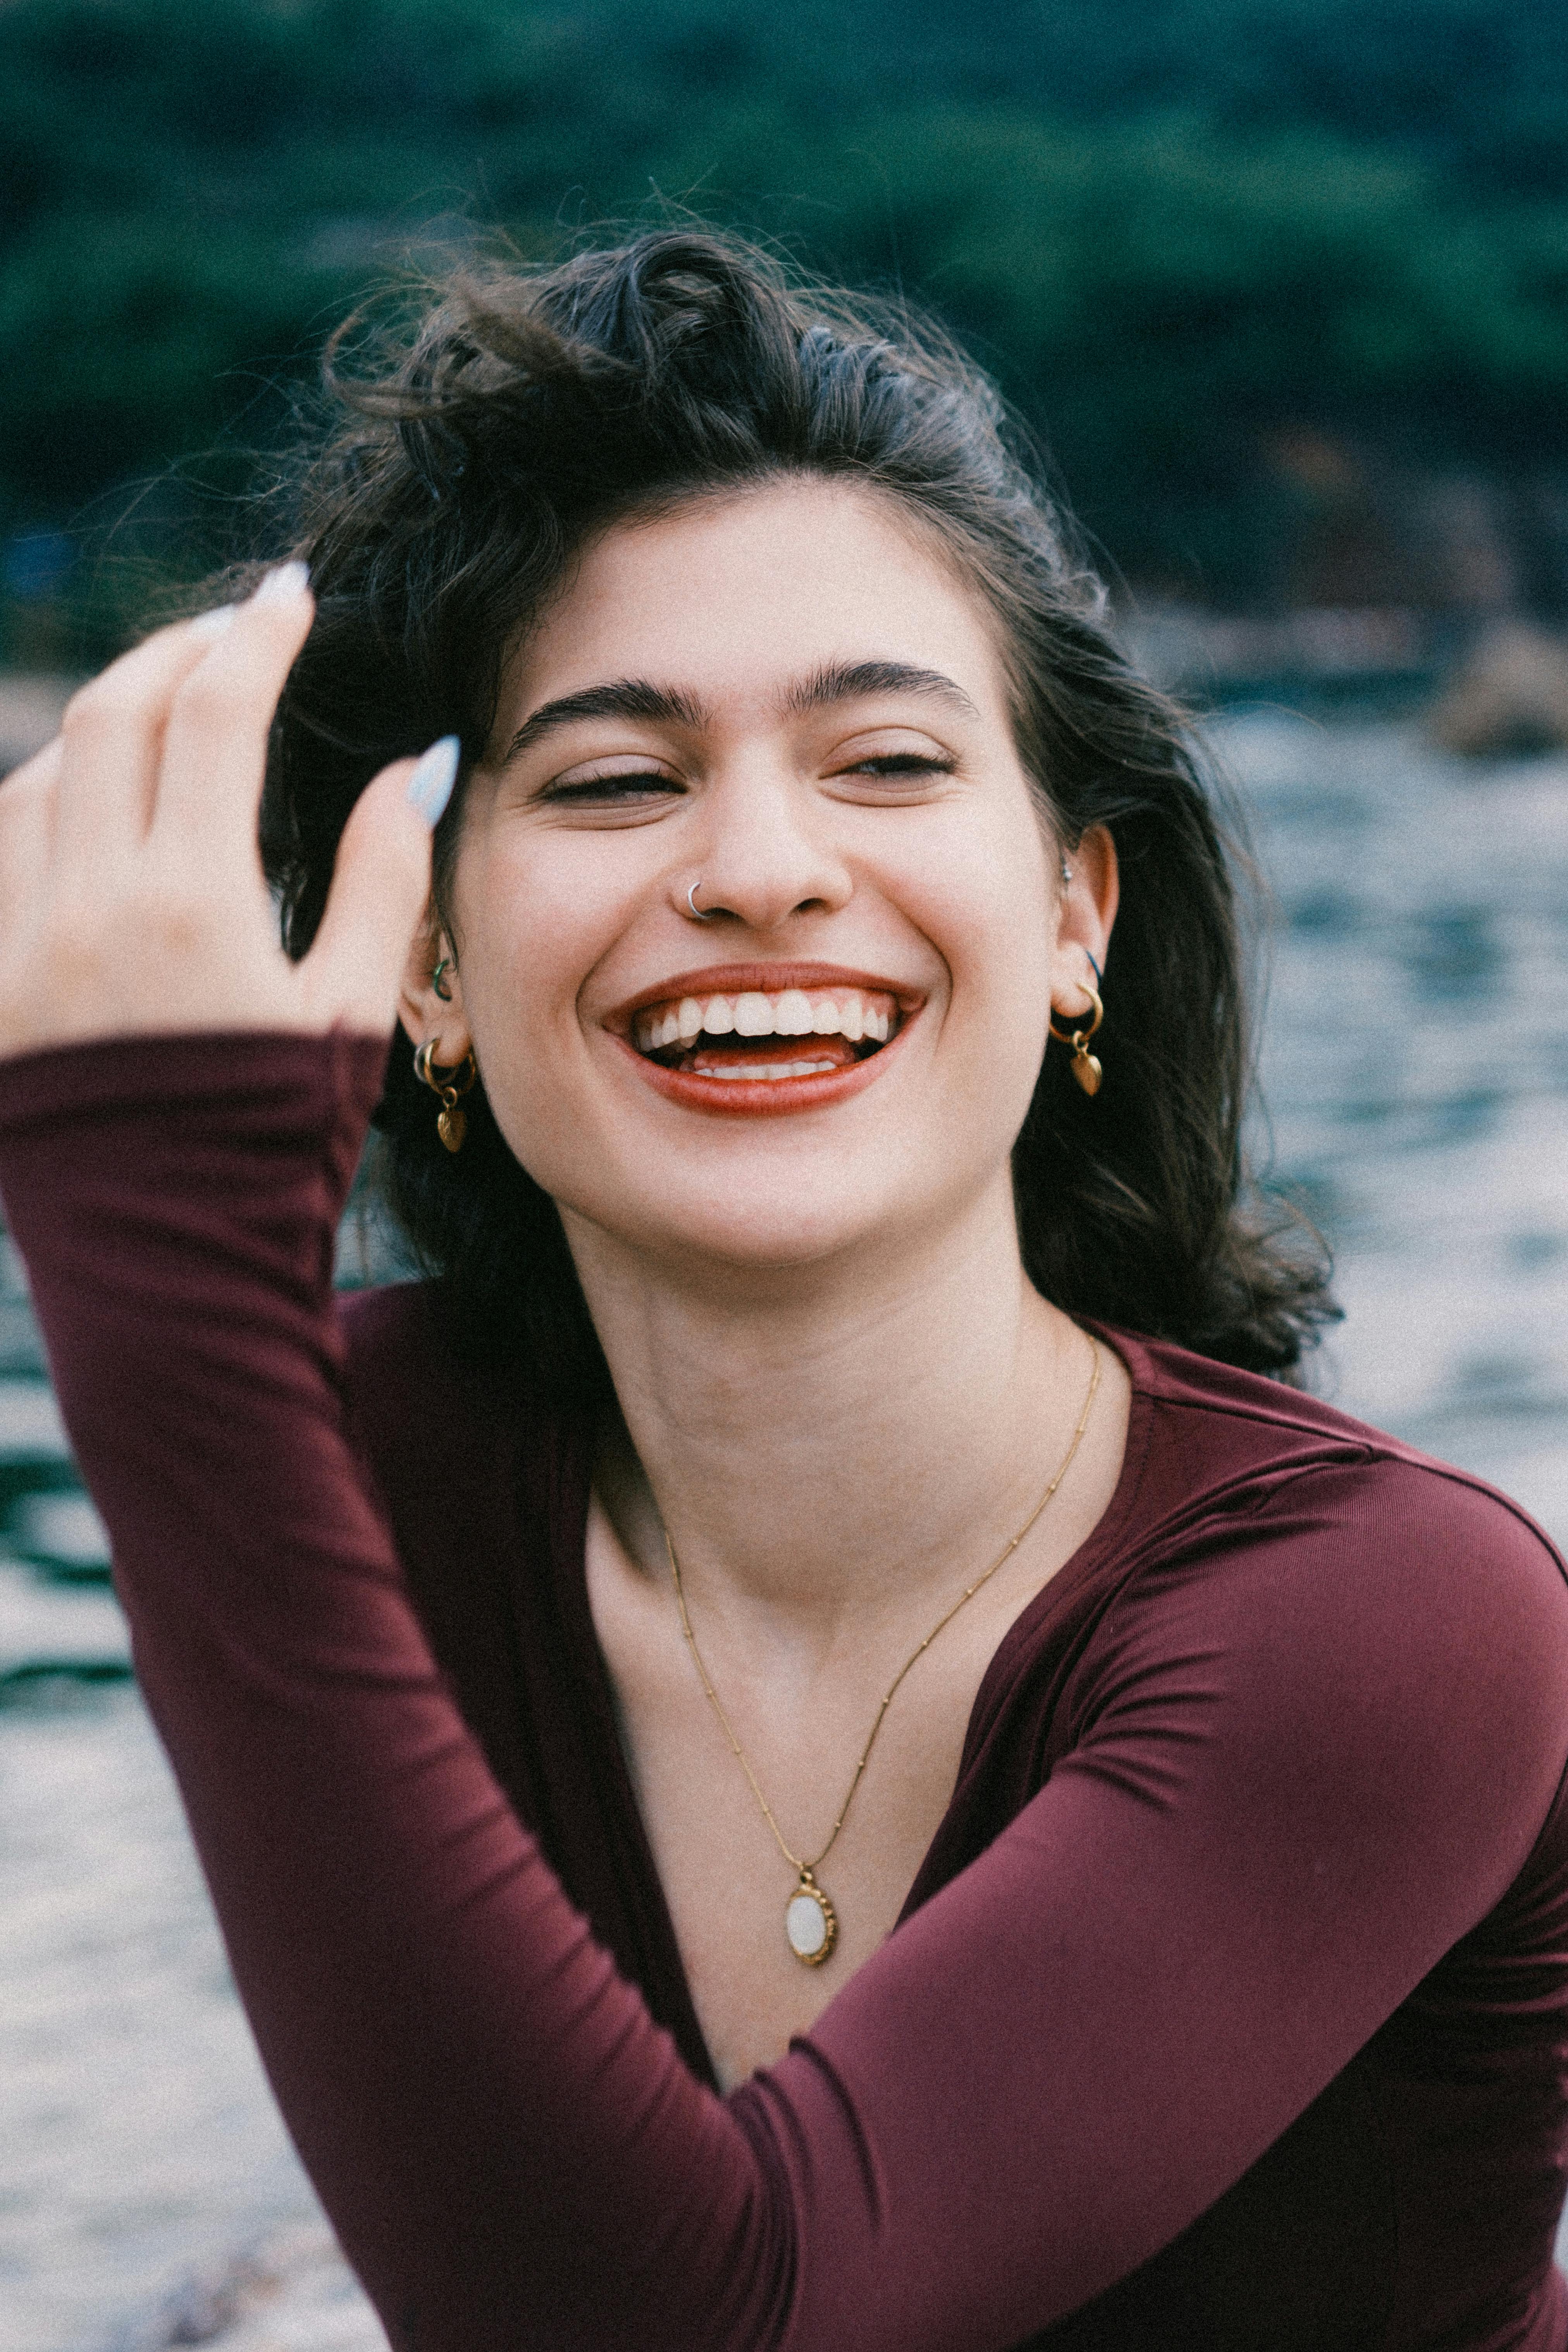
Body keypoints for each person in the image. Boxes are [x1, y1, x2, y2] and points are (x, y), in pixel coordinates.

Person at [1, 229, 1566, 2352]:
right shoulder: (375, 1466)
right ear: (435, 962)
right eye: (616, 776)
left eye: (889, 762)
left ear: (1075, 909)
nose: (759, 864)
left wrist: (154, 1264)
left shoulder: (1398, 1621)